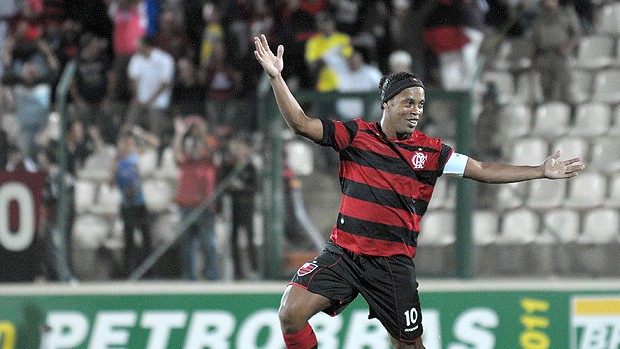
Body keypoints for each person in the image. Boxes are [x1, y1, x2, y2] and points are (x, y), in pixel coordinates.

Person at [253, 34, 584, 349]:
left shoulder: (432, 152)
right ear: (387, 103)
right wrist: (276, 79)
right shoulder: (356, 135)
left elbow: (481, 170)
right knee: (290, 313)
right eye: (408, 102)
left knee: (409, 344)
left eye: (421, 104)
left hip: (392, 265)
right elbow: (300, 124)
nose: (416, 110)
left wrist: (539, 171)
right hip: (344, 254)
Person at [173, 116, 221, 281]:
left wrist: (201, 134)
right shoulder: (186, 160)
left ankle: (211, 274)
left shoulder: (209, 158)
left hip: (205, 206)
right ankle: (189, 276)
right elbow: (177, 154)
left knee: (208, 243)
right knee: (187, 245)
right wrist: (180, 134)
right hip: (186, 205)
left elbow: (214, 151)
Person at [529, 0, 581, 103]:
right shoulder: (539, 18)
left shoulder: (566, 13)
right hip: (544, 56)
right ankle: (550, 114)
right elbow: (534, 41)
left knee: (565, 88)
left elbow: (576, 35)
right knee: (546, 89)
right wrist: (533, 61)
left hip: (561, 55)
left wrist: (567, 48)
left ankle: (569, 114)